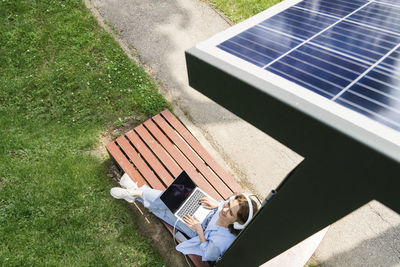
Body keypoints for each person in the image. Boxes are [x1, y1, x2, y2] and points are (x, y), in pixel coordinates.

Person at [110, 174, 259, 262]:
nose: (225, 210)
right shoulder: (223, 209)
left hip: (197, 228)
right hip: (206, 212)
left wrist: (200, 232)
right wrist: (218, 204)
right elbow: (226, 207)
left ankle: (136, 193)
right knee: (173, 198)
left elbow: (210, 255)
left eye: (230, 213)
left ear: (239, 224)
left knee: (169, 206)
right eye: (228, 204)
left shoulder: (222, 241)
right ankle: (136, 193)